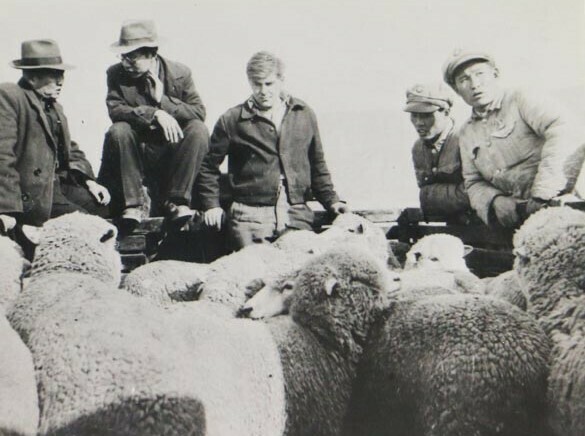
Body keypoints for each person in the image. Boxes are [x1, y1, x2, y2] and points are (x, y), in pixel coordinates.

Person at [197, 51, 349, 250]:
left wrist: (332, 201)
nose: (263, 91)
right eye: (256, 84)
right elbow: (208, 167)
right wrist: (212, 205)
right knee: (252, 277)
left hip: (295, 214)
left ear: (281, 80)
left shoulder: (303, 114)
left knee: (297, 272)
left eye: (269, 84)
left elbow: (317, 164)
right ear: (249, 82)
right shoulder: (232, 119)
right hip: (249, 217)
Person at [442, 49, 585, 228]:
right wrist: (495, 200)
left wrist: (544, 192)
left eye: (480, 74)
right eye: (464, 80)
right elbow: (473, 181)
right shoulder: (466, 133)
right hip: (513, 222)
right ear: (456, 90)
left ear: (495, 74)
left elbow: (567, 130)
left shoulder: (521, 99)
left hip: (560, 209)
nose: (475, 84)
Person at [98, 20, 209, 225]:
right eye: (123, 57)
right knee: (118, 129)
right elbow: (116, 109)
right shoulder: (115, 74)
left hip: (172, 154)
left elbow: (199, 112)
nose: (126, 63)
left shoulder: (180, 73)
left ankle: (177, 201)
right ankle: (134, 205)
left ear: (152, 54)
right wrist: (155, 113)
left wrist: (163, 100)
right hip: (135, 154)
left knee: (198, 129)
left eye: (133, 58)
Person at [0, 39, 110, 233]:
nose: (61, 81)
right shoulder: (11, 96)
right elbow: (3, 154)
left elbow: (70, 148)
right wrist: (7, 208)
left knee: (102, 208)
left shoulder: (55, 107)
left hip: (57, 185)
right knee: (88, 228)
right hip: (31, 193)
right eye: (53, 75)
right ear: (32, 77)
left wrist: (90, 181)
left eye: (62, 74)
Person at [403, 83, 472, 223]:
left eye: (426, 116)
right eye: (414, 116)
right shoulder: (418, 148)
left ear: (445, 112)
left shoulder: (467, 140)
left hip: (480, 229)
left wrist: (427, 196)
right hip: (446, 226)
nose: (419, 123)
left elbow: (477, 192)